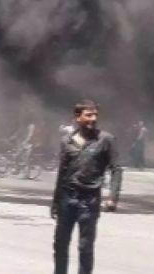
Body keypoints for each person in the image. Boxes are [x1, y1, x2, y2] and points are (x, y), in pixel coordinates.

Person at [52, 100, 120, 274]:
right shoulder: (67, 140)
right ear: (77, 117)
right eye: (88, 115)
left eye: (95, 115)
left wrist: (113, 197)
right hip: (67, 198)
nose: (93, 118)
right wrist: (55, 201)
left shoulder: (106, 140)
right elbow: (62, 172)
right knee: (60, 244)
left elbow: (116, 169)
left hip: (89, 200)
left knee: (85, 247)